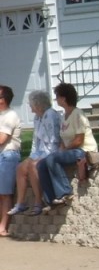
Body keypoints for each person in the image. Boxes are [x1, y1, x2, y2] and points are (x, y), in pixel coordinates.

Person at [41, 82, 98, 210]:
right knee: (42, 164)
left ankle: (65, 192)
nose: (56, 99)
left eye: (57, 96)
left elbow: (79, 140)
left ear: (64, 98)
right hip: (71, 150)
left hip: (83, 151)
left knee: (52, 158)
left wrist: (62, 151)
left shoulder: (78, 114)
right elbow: (63, 139)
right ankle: (51, 199)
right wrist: (61, 150)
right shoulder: (64, 116)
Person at [8, 90, 62, 218]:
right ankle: (20, 203)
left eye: (31, 105)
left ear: (38, 105)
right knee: (21, 167)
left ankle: (39, 201)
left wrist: (38, 158)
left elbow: (54, 141)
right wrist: (32, 155)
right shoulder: (38, 117)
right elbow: (35, 140)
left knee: (33, 165)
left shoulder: (51, 115)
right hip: (40, 151)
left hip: (51, 152)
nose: (31, 108)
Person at [0, 85, 23, 236]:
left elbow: (2, 139)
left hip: (8, 155)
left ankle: (3, 227)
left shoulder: (10, 116)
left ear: (3, 100)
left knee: (5, 193)